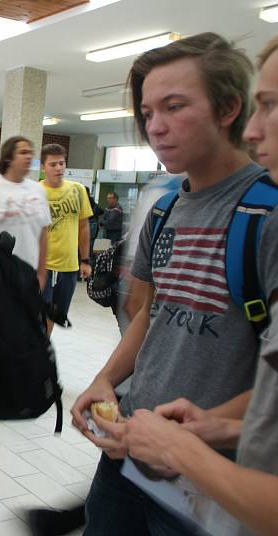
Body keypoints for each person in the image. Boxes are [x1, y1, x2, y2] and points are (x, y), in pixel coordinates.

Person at [69, 32, 277, 535]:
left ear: (228, 108)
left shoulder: (265, 213)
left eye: (174, 107)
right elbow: (153, 310)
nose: (155, 128)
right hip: (133, 449)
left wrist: (186, 436)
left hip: (216, 473)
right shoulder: (165, 210)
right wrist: (106, 380)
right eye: (147, 113)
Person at [0, 136, 50, 288]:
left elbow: (43, 233)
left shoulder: (38, 190)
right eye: (23, 152)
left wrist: (41, 273)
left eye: (30, 153)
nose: (29, 156)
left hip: (28, 275)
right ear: (8, 158)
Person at [40, 143, 93, 335]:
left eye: (61, 163)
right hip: (42, 266)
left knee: (55, 315)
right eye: (53, 164)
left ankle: (42, 351)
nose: (59, 168)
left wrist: (85, 260)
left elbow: (83, 226)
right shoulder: (35, 192)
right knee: (39, 314)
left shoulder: (78, 190)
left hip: (69, 266)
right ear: (42, 167)